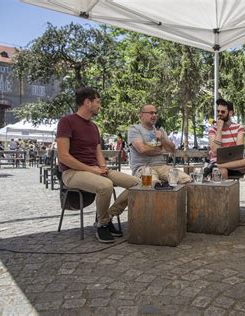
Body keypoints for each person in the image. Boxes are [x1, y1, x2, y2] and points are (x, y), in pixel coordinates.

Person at [57, 87, 139, 243]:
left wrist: (102, 167)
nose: (99, 105)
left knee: (137, 184)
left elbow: (97, 151)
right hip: (71, 173)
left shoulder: (94, 127)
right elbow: (63, 156)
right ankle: (102, 225)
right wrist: (91, 169)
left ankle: (109, 215)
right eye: (98, 102)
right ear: (88, 102)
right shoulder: (66, 122)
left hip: (94, 170)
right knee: (105, 185)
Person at [128, 104, 191, 184]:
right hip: (143, 167)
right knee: (153, 183)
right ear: (141, 115)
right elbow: (142, 149)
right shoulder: (134, 129)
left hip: (161, 166)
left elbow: (172, 150)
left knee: (186, 179)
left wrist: (162, 139)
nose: (154, 115)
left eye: (155, 113)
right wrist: (161, 149)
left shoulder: (160, 129)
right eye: (151, 113)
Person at [207, 98, 245, 179]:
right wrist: (219, 129)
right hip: (218, 163)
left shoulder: (239, 127)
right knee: (223, 171)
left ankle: (218, 165)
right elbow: (215, 151)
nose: (219, 114)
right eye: (218, 111)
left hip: (235, 164)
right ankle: (218, 166)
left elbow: (239, 149)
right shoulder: (213, 129)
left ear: (230, 113)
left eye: (223, 112)